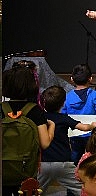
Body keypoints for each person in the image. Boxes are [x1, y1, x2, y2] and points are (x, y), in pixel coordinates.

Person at [2, 61, 56, 196]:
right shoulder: (35, 111)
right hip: (26, 172)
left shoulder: (1, 108)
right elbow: (45, 143)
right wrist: (52, 126)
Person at [37, 85, 96, 196]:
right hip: (63, 162)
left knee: (34, 190)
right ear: (63, 103)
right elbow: (83, 127)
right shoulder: (64, 118)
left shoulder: (39, 118)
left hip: (43, 163)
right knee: (82, 190)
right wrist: (93, 125)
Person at [62, 64, 96, 165]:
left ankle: (75, 178)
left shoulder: (68, 96)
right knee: (93, 158)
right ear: (90, 78)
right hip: (91, 133)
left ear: (72, 79)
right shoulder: (95, 95)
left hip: (74, 132)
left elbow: (63, 114)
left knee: (75, 156)